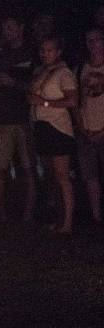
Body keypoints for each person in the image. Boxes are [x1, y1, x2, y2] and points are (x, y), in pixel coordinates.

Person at [0, 15, 36, 224]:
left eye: (10, 26)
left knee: (27, 167)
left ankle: (28, 213)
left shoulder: (32, 52)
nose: (6, 30)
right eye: (4, 26)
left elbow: (38, 85)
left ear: (21, 28)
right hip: (2, 119)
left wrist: (14, 83)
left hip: (24, 118)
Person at [29, 35, 77, 235]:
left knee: (62, 176)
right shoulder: (40, 71)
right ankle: (58, 218)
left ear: (58, 52)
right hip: (42, 126)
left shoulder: (64, 74)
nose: (45, 53)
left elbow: (72, 101)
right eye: (43, 50)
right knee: (50, 176)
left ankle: (67, 222)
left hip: (57, 128)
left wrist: (45, 103)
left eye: (49, 50)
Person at [75, 28, 104, 225]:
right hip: (86, 131)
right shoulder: (79, 69)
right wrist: (81, 127)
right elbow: (76, 102)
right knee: (90, 176)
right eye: (89, 40)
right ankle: (96, 215)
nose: (92, 44)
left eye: (96, 40)